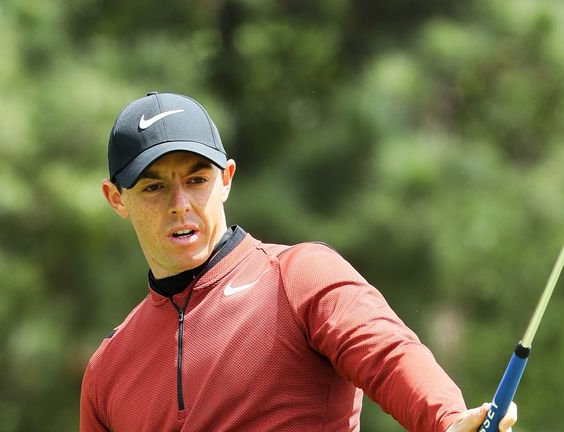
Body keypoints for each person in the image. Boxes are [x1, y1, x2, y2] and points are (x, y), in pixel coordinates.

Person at [80, 91, 518, 432]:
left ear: (227, 179)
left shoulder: (299, 276)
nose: (181, 205)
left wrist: (445, 420)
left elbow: (390, 356)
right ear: (116, 198)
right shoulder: (108, 371)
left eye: (197, 180)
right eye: (154, 188)